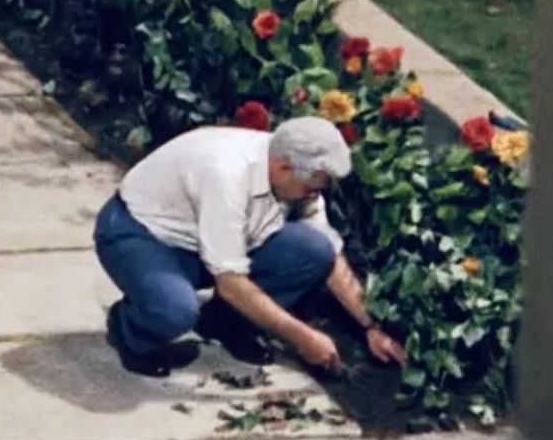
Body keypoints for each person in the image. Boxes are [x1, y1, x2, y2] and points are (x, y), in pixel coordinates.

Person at [93, 116, 407, 378]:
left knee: (314, 249)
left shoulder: (293, 168)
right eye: (312, 187)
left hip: (205, 241)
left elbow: (331, 254)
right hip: (141, 236)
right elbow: (230, 283)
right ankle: (130, 329)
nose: (315, 195)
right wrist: (304, 338)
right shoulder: (227, 174)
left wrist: (371, 326)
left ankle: (223, 323)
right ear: (285, 167)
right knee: (175, 309)